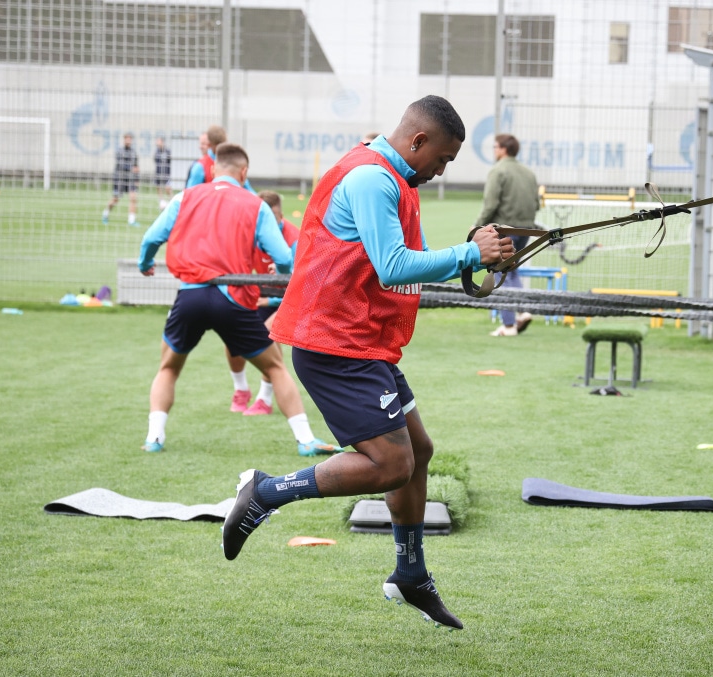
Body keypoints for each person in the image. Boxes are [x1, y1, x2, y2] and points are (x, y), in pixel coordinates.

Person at [221, 95, 513, 631]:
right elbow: (393, 266)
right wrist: (471, 255)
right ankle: (263, 492)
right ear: (418, 141)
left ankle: (410, 575)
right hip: (333, 345)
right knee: (392, 463)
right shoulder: (372, 179)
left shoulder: (397, 179)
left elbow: (413, 265)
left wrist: (473, 251)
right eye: (443, 159)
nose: (442, 171)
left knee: (418, 451)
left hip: (361, 343)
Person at [137, 143, 333, 457]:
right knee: (276, 368)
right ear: (244, 173)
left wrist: (145, 262)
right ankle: (306, 440)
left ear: (213, 169)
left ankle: (154, 438)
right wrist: (281, 280)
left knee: (168, 368)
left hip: (191, 296)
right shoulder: (256, 206)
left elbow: (150, 239)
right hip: (233, 300)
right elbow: (283, 257)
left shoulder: (184, 197)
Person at [228, 190, 301, 417]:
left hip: (293, 300)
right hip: (264, 299)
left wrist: (271, 297)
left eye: (272, 216)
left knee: (269, 331)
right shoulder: (250, 234)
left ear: (280, 215)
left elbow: (302, 286)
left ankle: (264, 399)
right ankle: (241, 389)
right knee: (230, 331)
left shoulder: (295, 239)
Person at [474, 133, 538, 336]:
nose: (493, 150)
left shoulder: (498, 171)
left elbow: (490, 204)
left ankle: (509, 325)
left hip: (505, 228)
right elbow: (536, 203)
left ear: (503, 149)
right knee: (514, 271)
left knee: (500, 273)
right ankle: (523, 311)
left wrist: (477, 227)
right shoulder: (528, 173)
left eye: (495, 146)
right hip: (527, 228)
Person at [102, 132, 140, 227]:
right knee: (116, 199)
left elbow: (136, 166)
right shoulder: (120, 151)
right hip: (120, 179)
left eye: (130, 139)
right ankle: (106, 213)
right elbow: (121, 165)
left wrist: (136, 178)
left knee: (133, 198)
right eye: (126, 138)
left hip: (130, 179)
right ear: (124, 140)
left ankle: (131, 220)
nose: (128, 140)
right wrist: (130, 168)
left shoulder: (133, 152)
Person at [154, 136, 173, 210]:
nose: (157, 143)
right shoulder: (157, 152)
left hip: (166, 173)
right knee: (159, 187)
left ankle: (171, 200)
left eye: (159, 141)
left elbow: (169, 161)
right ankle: (161, 202)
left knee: (168, 188)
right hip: (158, 173)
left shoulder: (167, 151)